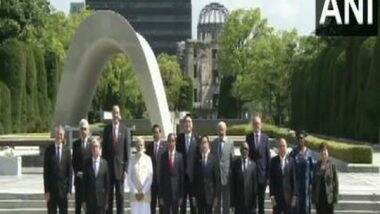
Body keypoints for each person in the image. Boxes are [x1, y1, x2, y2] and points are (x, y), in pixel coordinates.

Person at [102, 105, 130, 214]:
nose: (115, 115)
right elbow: (103, 151)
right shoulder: (106, 129)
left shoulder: (125, 130)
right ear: (111, 114)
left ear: (120, 114)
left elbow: (127, 151)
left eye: (117, 113)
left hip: (120, 170)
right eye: (114, 113)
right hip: (108, 169)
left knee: (120, 197)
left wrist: (126, 170)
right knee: (108, 198)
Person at [44, 125, 72, 214]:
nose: (59, 136)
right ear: (54, 135)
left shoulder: (67, 151)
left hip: (63, 191)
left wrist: (69, 190)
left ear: (63, 136)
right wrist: (46, 191)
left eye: (61, 134)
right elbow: (46, 172)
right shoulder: (49, 150)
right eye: (57, 134)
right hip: (52, 191)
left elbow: (70, 172)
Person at [245, 115, 270, 214]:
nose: (256, 125)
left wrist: (268, 176)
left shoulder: (265, 138)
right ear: (252, 125)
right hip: (251, 176)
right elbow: (246, 155)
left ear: (261, 125)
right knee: (251, 203)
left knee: (261, 203)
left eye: (258, 123)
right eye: (254, 124)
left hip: (262, 175)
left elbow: (267, 157)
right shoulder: (248, 137)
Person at [176, 115, 199, 214]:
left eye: (189, 122)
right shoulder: (179, 138)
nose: (187, 124)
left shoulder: (197, 138)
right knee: (182, 206)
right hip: (182, 179)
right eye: (186, 122)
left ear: (192, 125)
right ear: (183, 125)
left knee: (194, 206)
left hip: (193, 179)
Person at [211, 121, 234, 214]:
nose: (220, 131)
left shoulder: (230, 143)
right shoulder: (214, 143)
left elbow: (232, 160)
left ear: (225, 130)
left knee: (226, 204)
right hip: (216, 177)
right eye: (219, 129)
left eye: (222, 129)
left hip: (226, 177)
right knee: (216, 203)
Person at [269, 138, 297, 214]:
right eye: (280, 146)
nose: (282, 148)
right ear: (278, 148)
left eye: (283, 146)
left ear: (286, 147)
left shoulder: (291, 161)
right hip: (277, 198)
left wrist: (294, 196)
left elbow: (294, 180)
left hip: (288, 197)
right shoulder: (273, 161)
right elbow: (271, 180)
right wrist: (272, 196)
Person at [193, 136, 220, 214]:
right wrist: (194, 195)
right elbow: (195, 179)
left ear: (208, 144)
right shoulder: (197, 159)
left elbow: (217, 180)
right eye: (202, 143)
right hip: (199, 195)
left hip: (210, 195)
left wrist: (216, 196)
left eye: (205, 142)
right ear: (200, 145)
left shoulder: (214, 159)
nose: (203, 145)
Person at [83, 136, 110, 214]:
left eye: (96, 147)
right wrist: (84, 200)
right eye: (93, 147)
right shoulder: (86, 163)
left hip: (101, 201)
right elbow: (84, 183)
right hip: (89, 201)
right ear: (91, 149)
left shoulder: (105, 163)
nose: (95, 149)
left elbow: (107, 184)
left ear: (100, 149)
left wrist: (107, 201)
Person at [290, 131, 314, 214]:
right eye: (298, 138)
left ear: (304, 139)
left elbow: (312, 170)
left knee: (306, 208)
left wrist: (311, 185)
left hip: (306, 187)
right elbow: (289, 169)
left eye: (302, 138)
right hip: (296, 187)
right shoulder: (293, 153)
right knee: (296, 209)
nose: (300, 140)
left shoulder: (309, 153)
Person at [159, 134, 184, 214]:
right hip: (165, 193)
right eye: (169, 141)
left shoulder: (180, 157)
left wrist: (181, 196)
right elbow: (161, 177)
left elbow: (181, 177)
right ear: (167, 142)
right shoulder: (163, 157)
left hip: (176, 194)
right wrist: (160, 196)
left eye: (172, 141)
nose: (170, 143)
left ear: (175, 142)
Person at [128, 137, 153, 214]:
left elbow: (150, 177)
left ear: (144, 146)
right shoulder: (131, 159)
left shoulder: (148, 159)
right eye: (138, 145)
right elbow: (129, 177)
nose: (139, 147)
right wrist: (135, 192)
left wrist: (143, 192)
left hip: (145, 194)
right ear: (135, 146)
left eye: (141, 145)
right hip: (134, 195)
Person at [230, 142, 258, 214]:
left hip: (250, 203)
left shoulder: (253, 165)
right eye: (242, 149)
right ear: (240, 151)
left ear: (248, 150)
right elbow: (233, 185)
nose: (244, 151)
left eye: (246, 149)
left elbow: (255, 186)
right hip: (239, 202)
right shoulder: (235, 164)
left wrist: (255, 204)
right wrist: (232, 203)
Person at [312, 143, 339, 214]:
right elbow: (314, 183)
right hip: (319, 198)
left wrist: (335, 199)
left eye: (325, 152)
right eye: (322, 152)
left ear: (328, 153)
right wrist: (313, 199)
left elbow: (336, 183)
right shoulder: (316, 166)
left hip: (329, 198)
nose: (323, 155)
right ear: (320, 154)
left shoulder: (332, 165)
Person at [146, 124, 167, 214]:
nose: (155, 134)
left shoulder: (165, 147)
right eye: (154, 132)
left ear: (160, 133)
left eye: (157, 132)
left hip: (162, 182)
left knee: (162, 206)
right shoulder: (149, 147)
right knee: (152, 206)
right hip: (152, 183)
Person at [72, 119, 92, 214]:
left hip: (89, 181)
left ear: (88, 130)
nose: (83, 131)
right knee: (78, 206)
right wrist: (77, 172)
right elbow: (73, 161)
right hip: (79, 180)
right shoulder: (75, 144)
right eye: (81, 129)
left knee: (89, 206)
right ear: (79, 130)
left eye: (85, 129)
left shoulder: (92, 143)